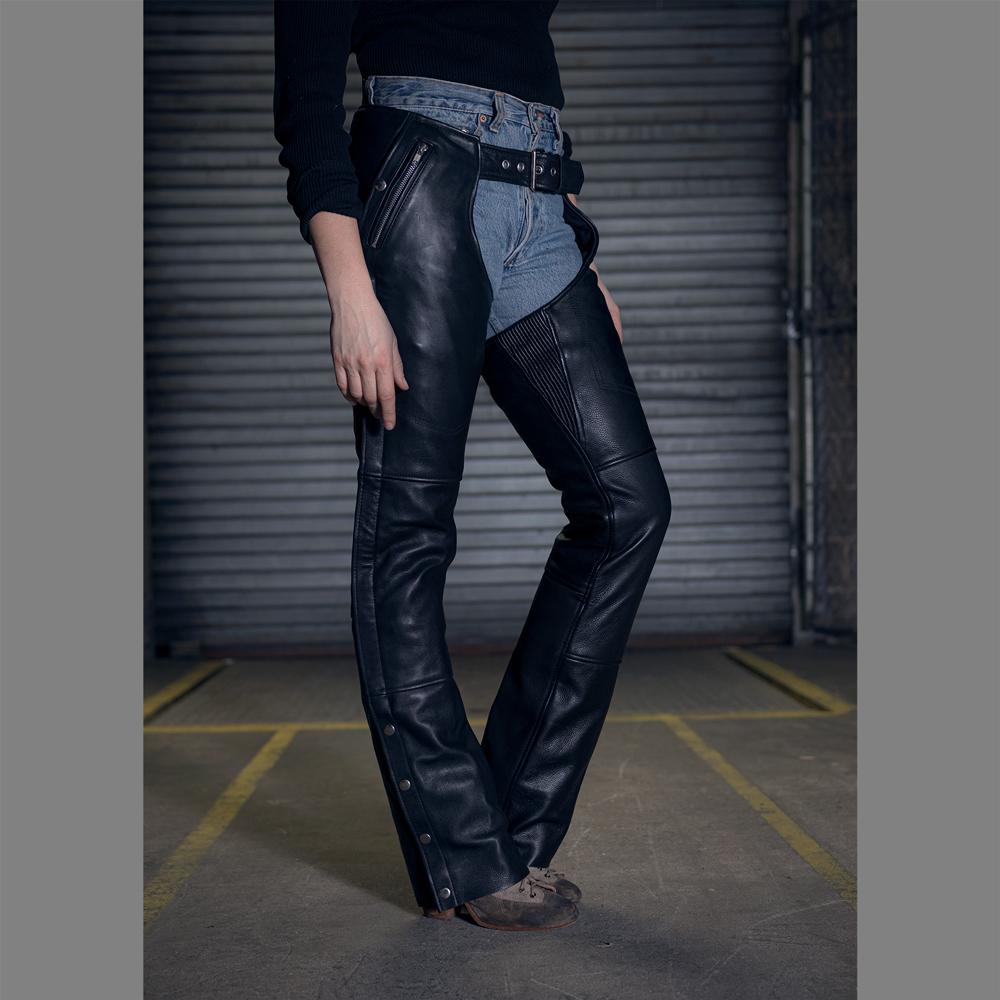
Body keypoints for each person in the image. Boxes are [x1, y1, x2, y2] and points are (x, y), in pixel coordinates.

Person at [273, 0, 671, 932]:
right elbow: (306, 105)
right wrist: (349, 292)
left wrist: (576, 248)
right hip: (422, 186)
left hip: (541, 197)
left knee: (628, 505)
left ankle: (510, 836)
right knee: (408, 532)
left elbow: (519, 52)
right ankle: (466, 852)